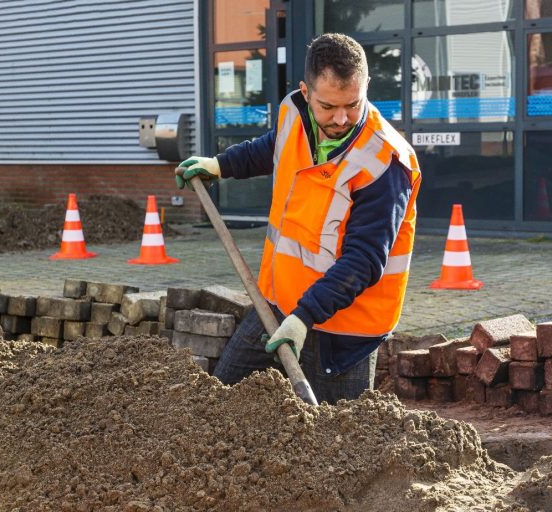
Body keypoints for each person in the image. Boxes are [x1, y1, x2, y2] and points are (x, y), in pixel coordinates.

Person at [175, 33, 421, 403]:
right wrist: (220, 165)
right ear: (306, 93)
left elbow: (364, 260)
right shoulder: (295, 114)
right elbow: (272, 147)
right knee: (223, 403)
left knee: (335, 442)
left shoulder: (384, 162)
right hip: (278, 302)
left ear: (366, 86)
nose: (341, 119)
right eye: (327, 107)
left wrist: (304, 317)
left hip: (342, 331)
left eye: (353, 105)